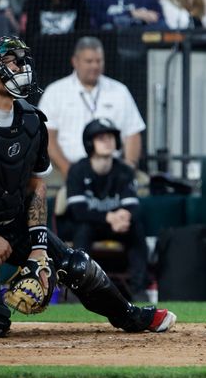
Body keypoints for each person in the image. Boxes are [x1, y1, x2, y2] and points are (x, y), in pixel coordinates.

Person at [0, 36, 175, 338]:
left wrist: (38, 248)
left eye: (21, 60)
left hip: (15, 222)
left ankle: (130, 316)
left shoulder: (32, 121)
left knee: (76, 265)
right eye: (10, 62)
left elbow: (37, 184)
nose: (21, 67)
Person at [63, 118, 149, 301]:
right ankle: (77, 290)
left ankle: (139, 290)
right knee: (82, 229)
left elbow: (132, 206)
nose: (108, 141)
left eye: (110, 137)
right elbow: (78, 211)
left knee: (136, 228)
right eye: (101, 138)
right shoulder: (78, 170)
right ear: (90, 143)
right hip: (90, 226)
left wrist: (124, 218)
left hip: (117, 227)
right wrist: (109, 217)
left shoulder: (124, 170)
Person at [38, 36, 146, 178]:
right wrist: (69, 171)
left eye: (99, 61)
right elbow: (47, 137)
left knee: (144, 183)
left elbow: (133, 133)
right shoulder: (55, 91)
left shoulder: (120, 91)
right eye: (89, 61)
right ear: (75, 62)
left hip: (111, 168)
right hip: (65, 168)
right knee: (41, 187)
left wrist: (128, 168)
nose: (95, 66)